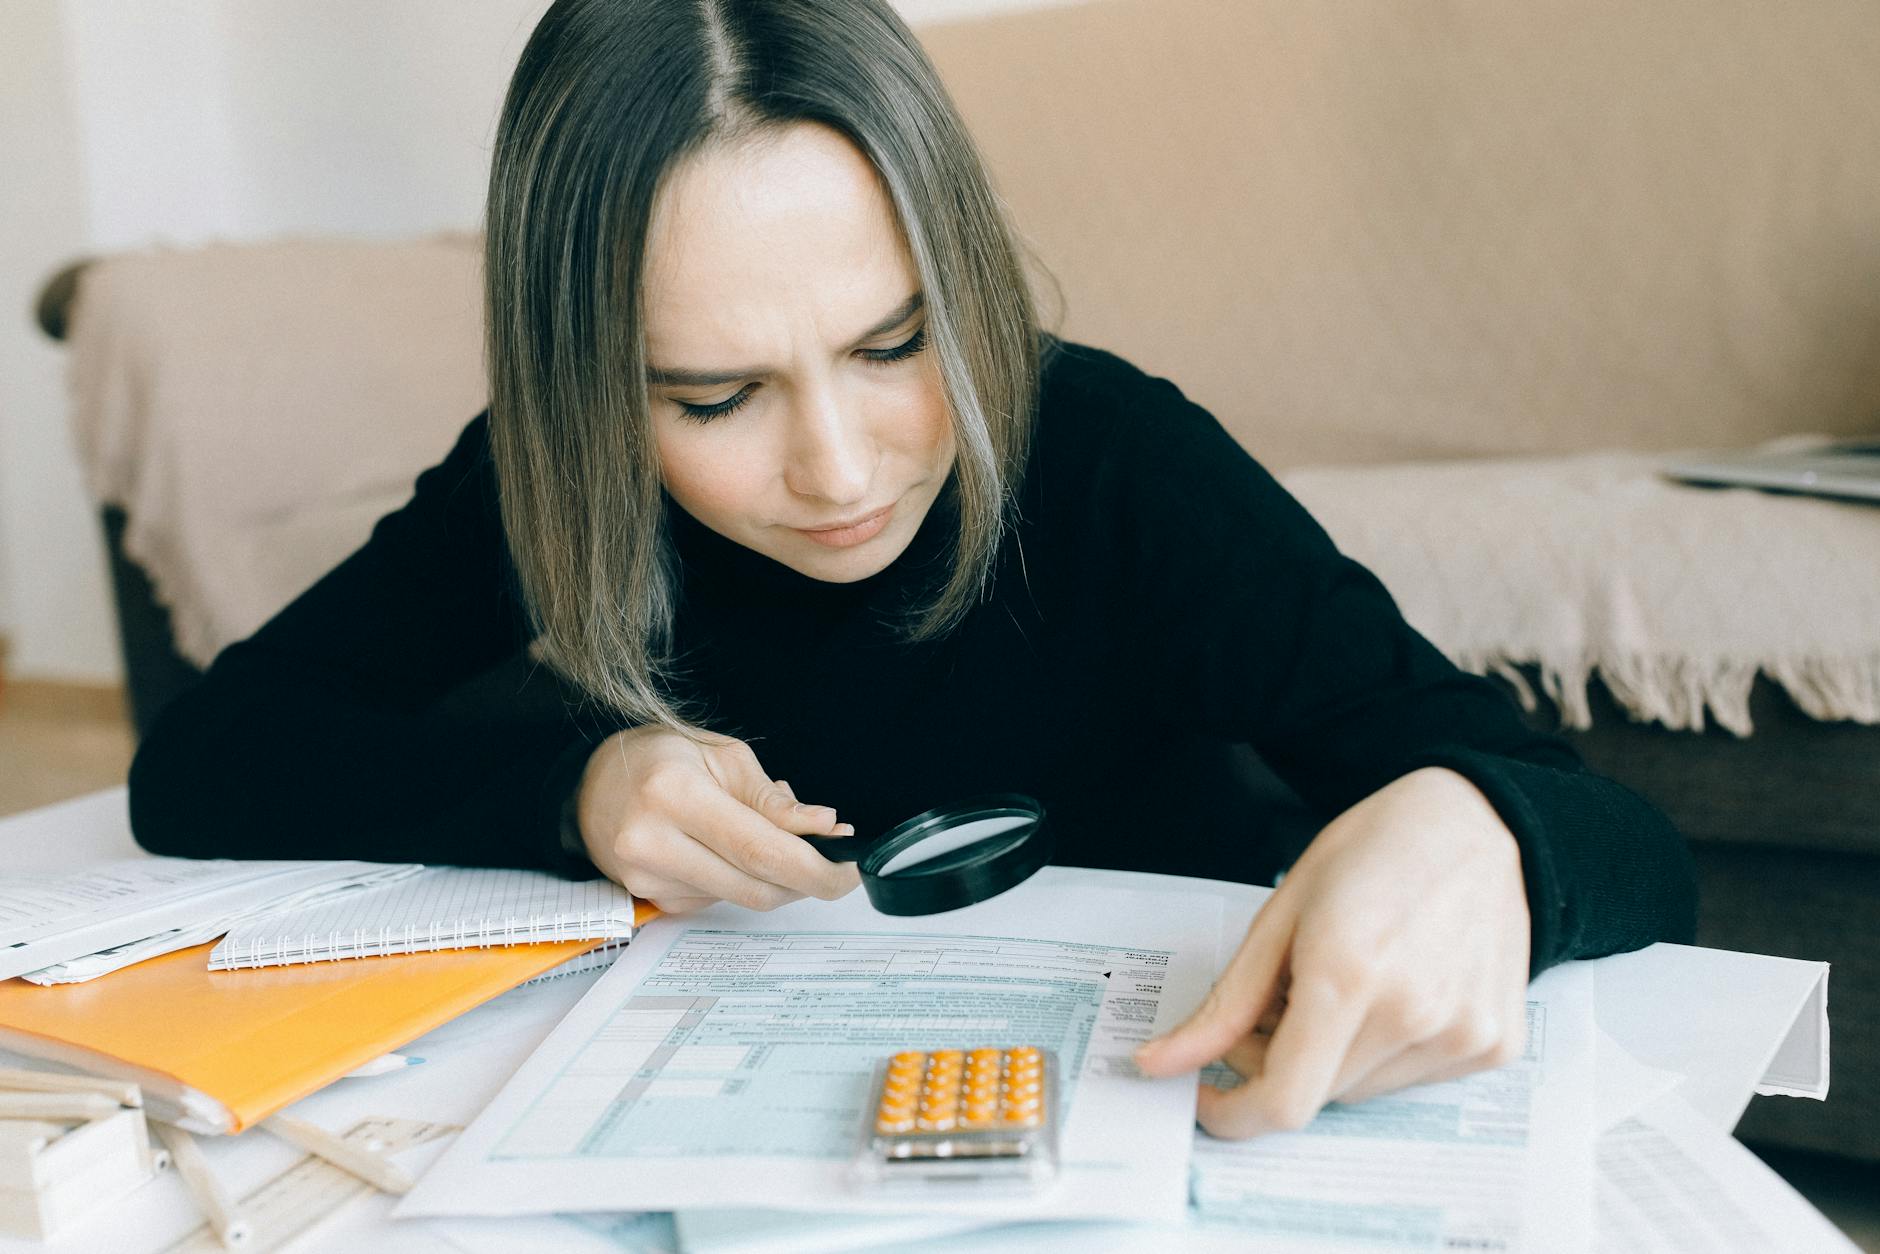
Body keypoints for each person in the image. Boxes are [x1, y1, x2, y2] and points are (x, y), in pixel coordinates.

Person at [128, 0, 1696, 1141]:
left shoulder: (1110, 459)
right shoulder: (544, 478)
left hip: (1162, 1122)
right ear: (589, 387)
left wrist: (1485, 826)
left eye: (895, 345)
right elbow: (204, 760)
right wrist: (575, 792)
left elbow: (1626, 844)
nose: (840, 465)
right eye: (713, 395)